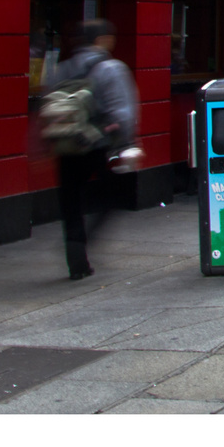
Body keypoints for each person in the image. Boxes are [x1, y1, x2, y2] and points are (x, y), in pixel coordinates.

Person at [46, 19, 140, 281]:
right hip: (98, 144)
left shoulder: (62, 68)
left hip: (66, 145)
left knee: (70, 202)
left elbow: (50, 106)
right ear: (103, 40)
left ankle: (76, 259)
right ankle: (90, 236)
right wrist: (126, 143)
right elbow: (122, 110)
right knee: (115, 193)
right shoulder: (111, 68)